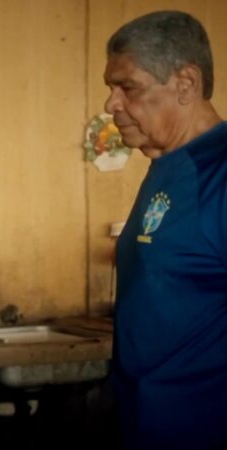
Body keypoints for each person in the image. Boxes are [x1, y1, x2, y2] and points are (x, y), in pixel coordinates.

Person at [104, 11, 227, 450]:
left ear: (186, 84)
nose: (111, 104)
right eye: (110, 88)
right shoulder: (166, 165)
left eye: (128, 88)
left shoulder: (218, 173)